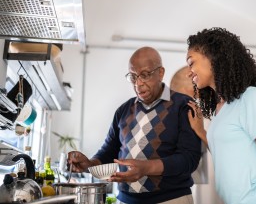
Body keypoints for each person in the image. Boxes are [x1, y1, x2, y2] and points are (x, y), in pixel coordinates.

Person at [68, 47, 201, 204]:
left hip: (171, 200)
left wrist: (146, 168)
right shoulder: (123, 110)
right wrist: (89, 164)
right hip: (126, 200)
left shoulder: (183, 105)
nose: (138, 84)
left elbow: (188, 159)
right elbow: (109, 151)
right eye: (133, 77)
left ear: (160, 73)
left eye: (144, 75)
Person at [186, 27, 256, 204]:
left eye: (191, 63)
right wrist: (201, 132)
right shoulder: (219, 109)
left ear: (213, 56)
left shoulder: (250, 97)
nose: (189, 71)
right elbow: (227, 153)